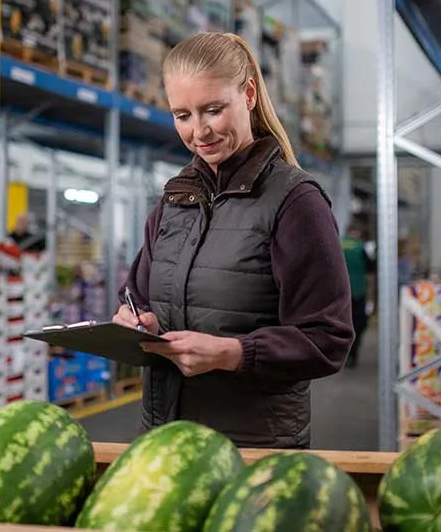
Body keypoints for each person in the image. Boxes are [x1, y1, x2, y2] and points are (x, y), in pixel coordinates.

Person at [113, 32, 354, 449]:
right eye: (182, 115)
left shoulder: (295, 201)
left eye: (212, 110)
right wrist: (136, 320)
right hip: (163, 442)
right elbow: (138, 294)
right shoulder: (175, 198)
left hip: (251, 447)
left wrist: (233, 352)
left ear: (248, 95)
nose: (198, 131)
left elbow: (328, 338)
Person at [341, 225, 368, 368]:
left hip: (339, 294)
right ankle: (352, 354)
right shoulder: (360, 247)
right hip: (358, 291)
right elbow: (371, 269)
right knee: (358, 324)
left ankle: (341, 354)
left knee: (341, 324)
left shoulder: (338, 243)